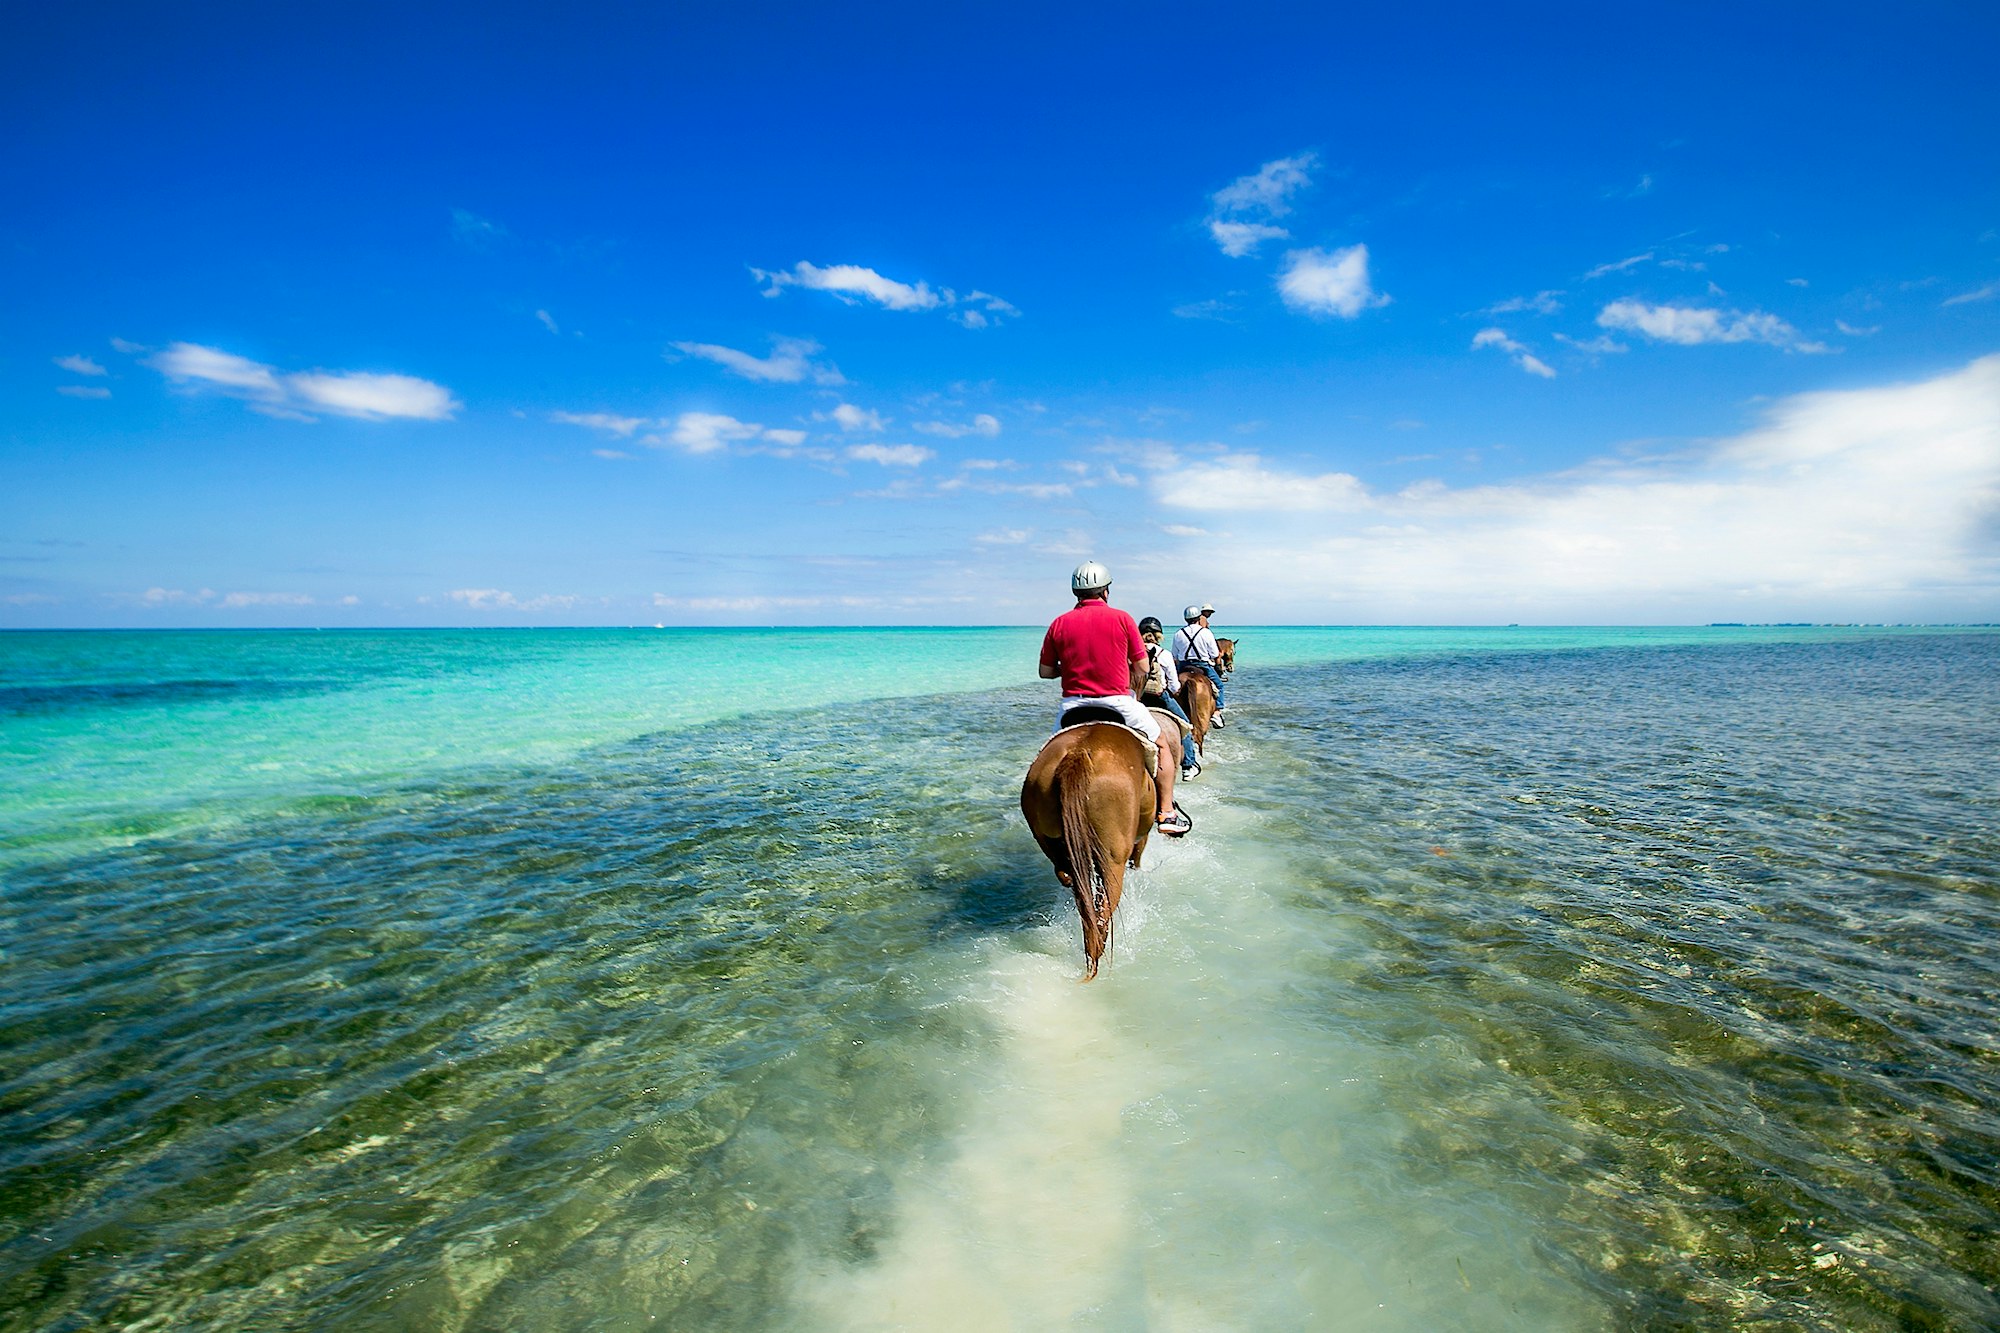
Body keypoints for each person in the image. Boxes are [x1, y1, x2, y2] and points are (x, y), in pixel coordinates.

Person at [1040, 561, 1190, 835]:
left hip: (1073, 705)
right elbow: (1143, 668)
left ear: (1075, 593)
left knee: (1046, 758)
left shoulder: (1059, 623)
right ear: (1106, 592)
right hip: (1118, 703)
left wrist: (1070, 668)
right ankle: (1167, 813)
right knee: (1163, 745)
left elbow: (1045, 671)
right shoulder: (1122, 619)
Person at [1138, 616, 1200, 779]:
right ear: (1159, 635)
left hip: (1138, 700)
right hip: (1160, 698)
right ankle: (1188, 765)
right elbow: (1173, 684)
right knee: (1185, 725)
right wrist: (1176, 690)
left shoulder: (1132, 653)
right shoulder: (1164, 654)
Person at [1173, 603, 1228, 725]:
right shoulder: (1206, 633)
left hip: (1183, 666)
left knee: (1172, 686)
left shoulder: (1178, 634)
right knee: (1219, 685)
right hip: (1202, 665)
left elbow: (1175, 655)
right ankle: (1216, 713)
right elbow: (1214, 653)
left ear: (1185, 619)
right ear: (1199, 618)